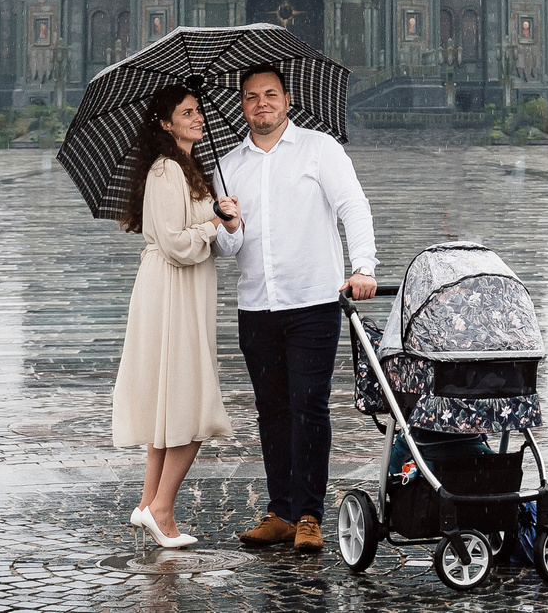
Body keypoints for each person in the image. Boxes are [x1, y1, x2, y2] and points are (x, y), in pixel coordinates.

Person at [216, 63, 376, 554]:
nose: (260, 103)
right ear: (241, 106)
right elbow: (228, 249)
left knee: (308, 406)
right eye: (250, 97)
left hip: (313, 301)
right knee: (271, 409)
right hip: (257, 305)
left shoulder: (319, 149)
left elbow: (353, 205)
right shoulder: (228, 165)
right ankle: (280, 511)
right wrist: (229, 223)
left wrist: (364, 266)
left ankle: (309, 514)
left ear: (287, 100)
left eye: (269, 94)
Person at [109, 84, 243, 548]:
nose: (198, 117)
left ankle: (148, 503)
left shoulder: (189, 169)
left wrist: (224, 216)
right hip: (171, 289)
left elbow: (197, 232)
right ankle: (163, 510)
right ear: (165, 124)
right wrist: (211, 224)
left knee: (171, 401)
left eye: (198, 110)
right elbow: (176, 243)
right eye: (187, 113)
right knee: (192, 405)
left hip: (182, 289)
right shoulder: (166, 171)